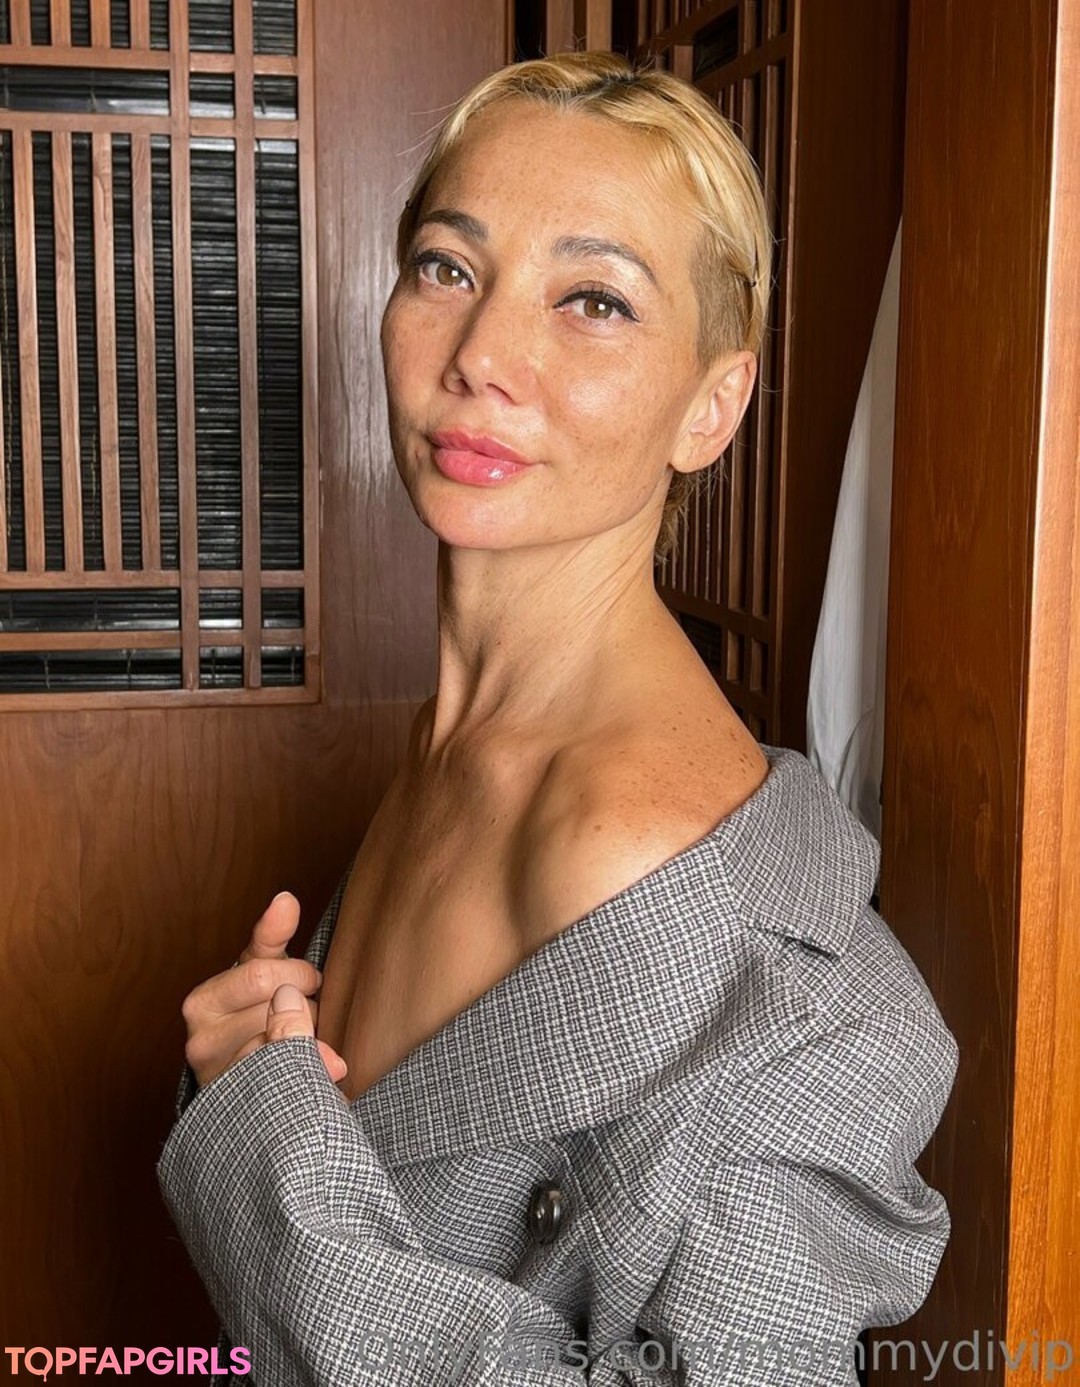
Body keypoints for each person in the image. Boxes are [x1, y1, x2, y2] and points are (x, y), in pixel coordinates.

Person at [158, 50, 958, 1386]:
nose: (482, 357)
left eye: (594, 300)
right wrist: (266, 1074)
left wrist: (266, 1154)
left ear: (712, 404)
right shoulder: (462, 739)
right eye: (447, 267)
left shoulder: (760, 965)